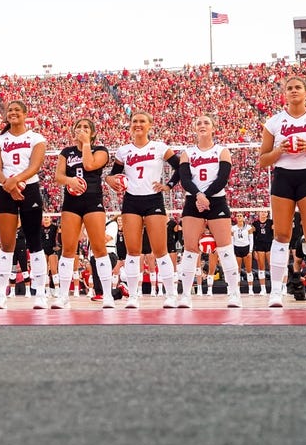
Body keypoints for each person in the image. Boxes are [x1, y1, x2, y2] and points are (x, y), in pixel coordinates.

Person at [257, 76, 306, 308]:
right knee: (281, 235)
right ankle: (275, 292)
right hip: (282, 177)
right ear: (284, 93)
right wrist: (280, 149)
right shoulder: (274, 122)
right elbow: (263, 160)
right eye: (289, 88)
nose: (293, 91)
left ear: (305, 92)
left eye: (297, 87)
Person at [105, 111, 180, 309]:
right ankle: (133, 296)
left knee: (160, 250)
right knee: (132, 251)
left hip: (153, 199)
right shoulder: (123, 151)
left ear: (150, 125)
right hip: (131, 201)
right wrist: (110, 180)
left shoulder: (160, 147)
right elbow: (113, 175)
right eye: (134, 121)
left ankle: (170, 295)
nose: (138, 124)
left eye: (142, 121)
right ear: (130, 125)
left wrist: (169, 185)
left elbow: (180, 167)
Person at [175, 114, 239, 306]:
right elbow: (185, 180)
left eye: (206, 123)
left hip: (216, 201)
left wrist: (206, 196)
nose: (202, 125)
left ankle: (234, 293)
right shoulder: (187, 153)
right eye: (199, 123)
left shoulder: (222, 151)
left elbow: (222, 179)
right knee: (190, 249)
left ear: (213, 128)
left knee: (225, 247)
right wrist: (198, 196)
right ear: (195, 128)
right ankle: (185, 294)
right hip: (193, 202)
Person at [0, 100, 48, 309]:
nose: (13, 113)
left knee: (35, 242)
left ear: (25, 114)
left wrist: (17, 180)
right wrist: (8, 184)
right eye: (10, 110)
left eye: (17, 110)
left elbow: (35, 165)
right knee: (6, 244)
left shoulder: (36, 138)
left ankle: (40, 292)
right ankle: (0, 293)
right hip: (5, 190)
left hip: (28, 188)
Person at [53, 118, 111, 308]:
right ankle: (63, 296)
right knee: (68, 249)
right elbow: (58, 176)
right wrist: (69, 181)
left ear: (93, 133)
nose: (82, 129)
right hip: (72, 203)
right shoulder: (66, 152)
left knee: (99, 248)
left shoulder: (100, 150)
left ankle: (108, 294)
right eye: (79, 127)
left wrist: (86, 143)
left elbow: (89, 165)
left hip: (93, 200)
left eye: (86, 127)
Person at [231, 211, 253, 295]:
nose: (239, 217)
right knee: (237, 270)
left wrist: (250, 251)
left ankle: (250, 289)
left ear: (244, 217)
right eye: (238, 216)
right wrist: (233, 252)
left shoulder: (248, 227)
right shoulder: (233, 228)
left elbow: (251, 240)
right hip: (237, 248)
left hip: (246, 248)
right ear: (236, 218)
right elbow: (232, 240)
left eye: (241, 216)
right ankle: (237, 289)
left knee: (249, 270)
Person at [251, 211, 273, 295]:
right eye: (261, 212)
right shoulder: (255, 223)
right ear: (258, 214)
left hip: (269, 245)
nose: (263, 213)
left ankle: (274, 288)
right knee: (261, 267)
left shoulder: (271, 222)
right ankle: (263, 288)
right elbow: (253, 237)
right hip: (259, 246)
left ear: (267, 214)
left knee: (272, 266)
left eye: (265, 212)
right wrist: (254, 250)